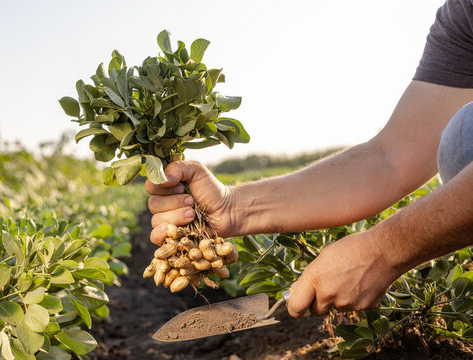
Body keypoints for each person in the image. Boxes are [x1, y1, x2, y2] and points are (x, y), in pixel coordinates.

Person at [145, 0, 473, 318]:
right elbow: (393, 156)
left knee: (464, 133)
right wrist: (235, 207)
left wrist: (383, 250)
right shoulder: (462, 13)